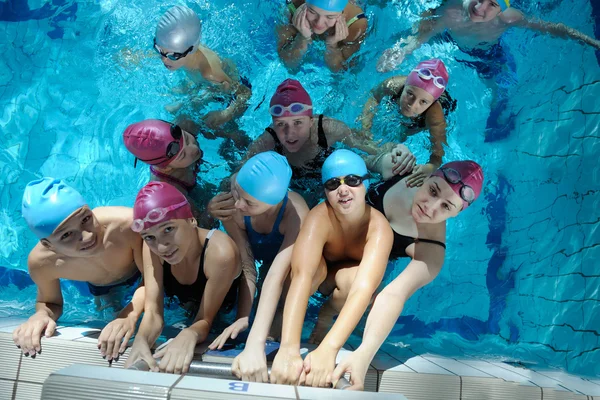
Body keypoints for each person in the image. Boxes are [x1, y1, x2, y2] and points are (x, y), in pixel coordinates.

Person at [311, 160, 484, 390]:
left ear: (456, 214)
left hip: (356, 268)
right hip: (328, 237)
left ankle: (325, 315)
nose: (430, 207)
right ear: (430, 177)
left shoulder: (430, 249)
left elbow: (393, 296)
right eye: (432, 191)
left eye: (446, 207)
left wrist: (363, 355)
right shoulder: (402, 169)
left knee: (366, 290)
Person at [376, 0, 600, 139]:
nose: (479, 7)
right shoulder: (451, 10)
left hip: (484, 54)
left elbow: (552, 29)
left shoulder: (509, 19)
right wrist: (401, 52)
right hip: (448, 38)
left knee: (499, 88)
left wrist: (590, 41)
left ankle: (498, 115)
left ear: (501, 9)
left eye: (492, 4)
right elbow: (421, 34)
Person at [270, 150, 393, 388]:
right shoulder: (320, 217)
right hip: (319, 276)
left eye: (353, 180)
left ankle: (326, 314)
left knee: (367, 287)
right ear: (325, 191)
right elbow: (301, 277)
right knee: (301, 270)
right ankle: (283, 314)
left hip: (346, 282)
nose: (343, 189)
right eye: (333, 184)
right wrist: (289, 348)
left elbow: (362, 290)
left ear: (366, 183)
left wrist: (329, 349)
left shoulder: (378, 228)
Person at [207, 78, 416, 212]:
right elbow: (236, 175)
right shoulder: (267, 141)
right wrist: (228, 189)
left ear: (310, 119)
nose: (289, 134)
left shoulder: (329, 129)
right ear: (273, 124)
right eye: (281, 125)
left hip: (334, 173)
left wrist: (398, 149)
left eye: (298, 123)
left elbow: (373, 147)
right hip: (299, 188)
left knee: (386, 164)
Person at [13, 178, 144, 363]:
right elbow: (49, 302)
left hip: (139, 273)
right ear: (48, 245)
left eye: (86, 219)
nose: (88, 235)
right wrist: (41, 315)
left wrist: (129, 315)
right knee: (109, 317)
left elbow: (152, 279)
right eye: (66, 235)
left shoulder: (127, 225)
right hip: (101, 287)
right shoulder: (42, 263)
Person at [205, 153, 309, 383]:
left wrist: (255, 343)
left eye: (249, 203)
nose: (239, 205)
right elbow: (247, 264)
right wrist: (244, 318)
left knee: (293, 277)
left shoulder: (296, 215)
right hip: (254, 255)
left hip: (286, 265)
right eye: (237, 194)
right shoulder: (236, 204)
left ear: (275, 202)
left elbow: (276, 276)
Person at [124, 182, 241, 374]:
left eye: (168, 229)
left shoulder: (220, 253)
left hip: (223, 310)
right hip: (182, 303)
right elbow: (153, 312)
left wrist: (190, 332)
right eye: (149, 237)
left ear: (191, 220)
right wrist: (141, 340)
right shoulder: (151, 248)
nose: (162, 247)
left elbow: (205, 319)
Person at [153, 5, 251, 147]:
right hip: (203, 84)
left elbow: (245, 93)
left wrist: (226, 114)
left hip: (225, 89)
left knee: (211, 127)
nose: (163, 60)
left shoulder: (209, 73)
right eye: (158, 50)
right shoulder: (182, 50)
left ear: (190, 49)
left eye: (172, 56)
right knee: (180, 109)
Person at [361, 58, 456, 188]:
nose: (412, 104)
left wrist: (430, 167)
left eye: (423, 102)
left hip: (421, 121)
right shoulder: (392, 84)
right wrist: (366, 126)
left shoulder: (435, 116)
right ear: (405, 84)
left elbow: (438, 153)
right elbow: (373, 97)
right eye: (410, 94)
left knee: (401, 136)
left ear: (431, 103)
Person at [123, 119, 216, 228]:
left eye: (187, 139)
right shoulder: (172, 192)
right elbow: (198, 229)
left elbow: (207, 124)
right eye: (183, 155)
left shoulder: (185, 126)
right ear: (166, 168)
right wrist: (210, 213)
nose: (194, 149)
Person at [278, 0, 368, 71]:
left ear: (342, 13)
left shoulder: (355, 25)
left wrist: (332, 46)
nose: (319, 23)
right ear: (305, 3)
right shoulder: (292, 7)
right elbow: (287, 64)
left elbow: (343, 74)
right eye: (312, 11)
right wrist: (303, 38)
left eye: (330, 17)